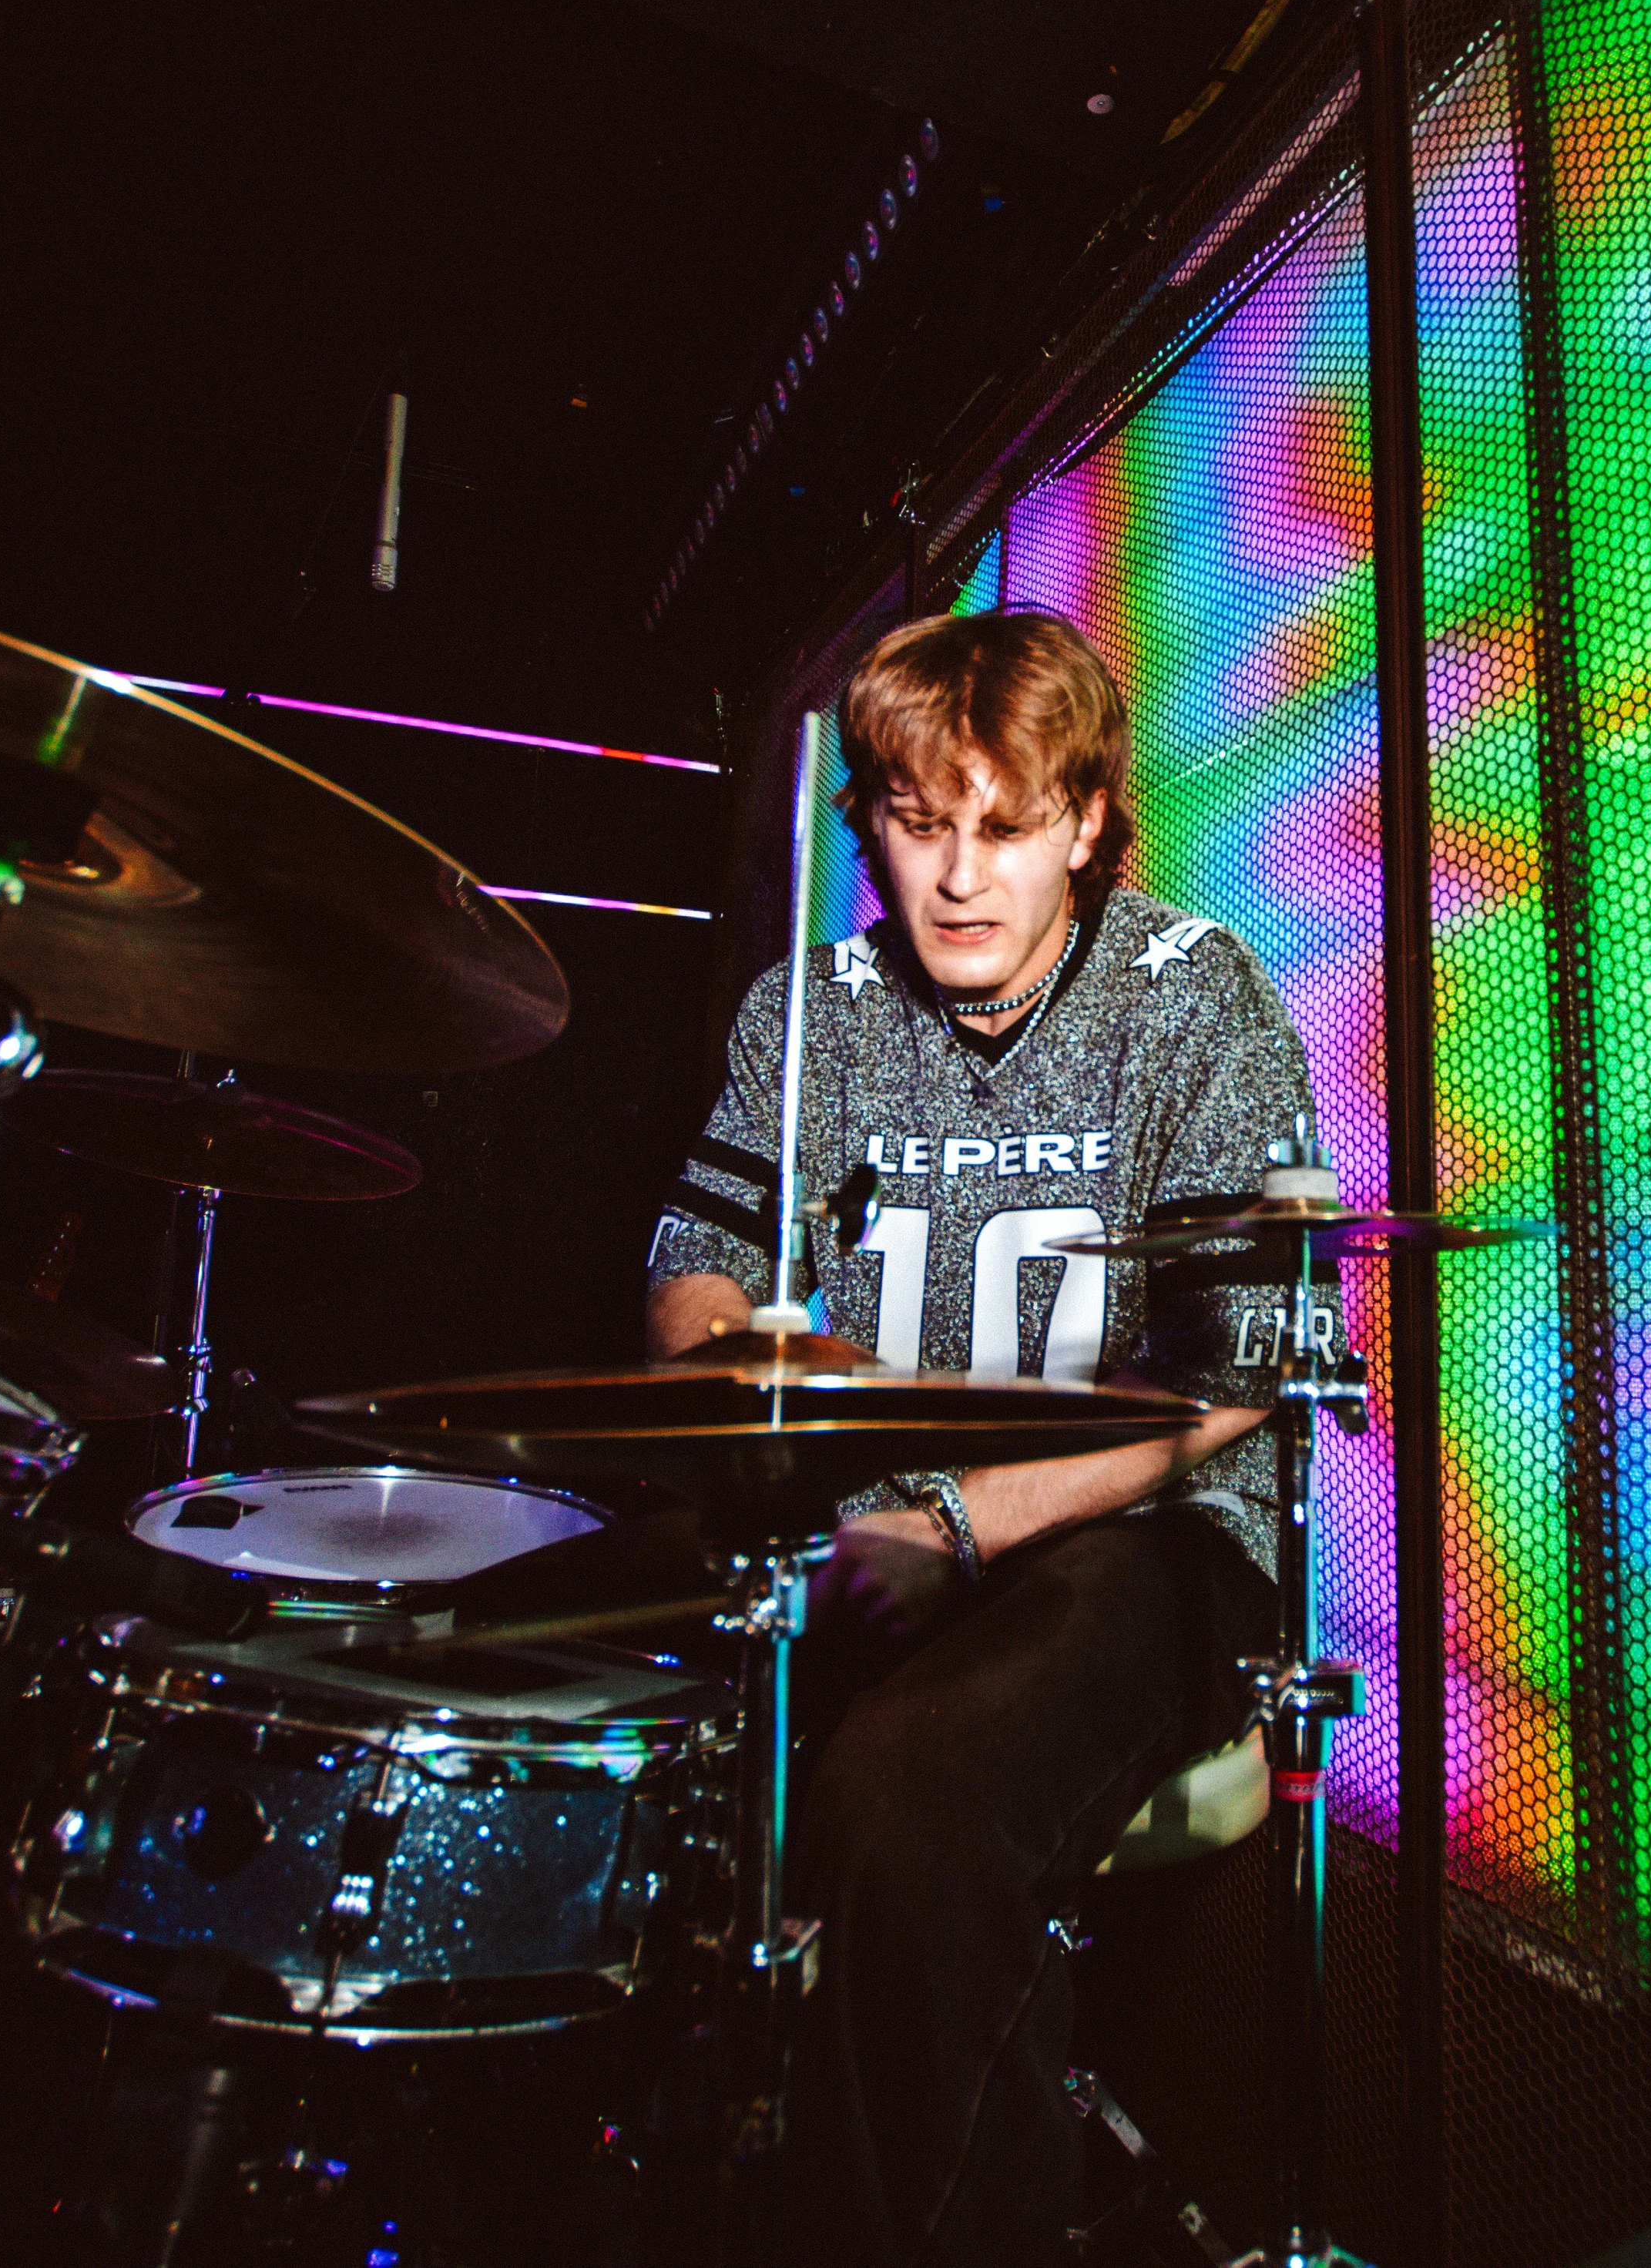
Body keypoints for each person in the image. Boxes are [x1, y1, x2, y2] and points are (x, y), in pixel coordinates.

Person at [646, 611, 1320, 2267]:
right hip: (866, 1530)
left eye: (1003, 826)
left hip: (1149, 1538)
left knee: (912, 1795)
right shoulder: (813, 1008)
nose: (954, 874)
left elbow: (1234, 1372)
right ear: (865, 817)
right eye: (914, 820)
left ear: (1084, 820)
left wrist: (944, 1523)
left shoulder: (1193, 994)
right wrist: (739, 1358)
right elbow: (690, 1268)